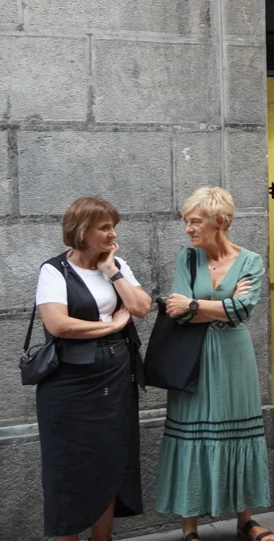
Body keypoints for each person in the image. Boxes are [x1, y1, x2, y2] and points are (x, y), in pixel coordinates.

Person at [155, 187, 271, 541]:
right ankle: (189, 527)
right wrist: (217, 307)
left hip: (235, 359)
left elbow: (242, 310)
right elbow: (175, 311)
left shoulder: (251, 261)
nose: (188, 229)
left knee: (239, 432)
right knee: (192, 433)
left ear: (220, 221)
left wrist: (195, 305)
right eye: (186, 221)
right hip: (193, 357)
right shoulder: (187, 259)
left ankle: (245, 520)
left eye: (195, 221)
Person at [34, 197, 151, 541]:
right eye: (104, 227)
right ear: (82, 230)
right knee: (69, 467)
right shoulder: (54, 270)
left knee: (110, 459)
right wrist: (111, 326)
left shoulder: (117, 265)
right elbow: (58, 324)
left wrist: (112, 272)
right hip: (69, 386)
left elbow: (141, 306)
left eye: (113, 226)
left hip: (115, 379)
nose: (113, 234)